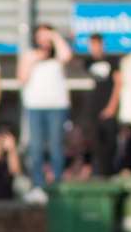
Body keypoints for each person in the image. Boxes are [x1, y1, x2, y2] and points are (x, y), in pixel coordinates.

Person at [17, 22, 72, 192]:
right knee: (36, 147)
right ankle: (38, 184)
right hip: (35, 107)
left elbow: (67, 55)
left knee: (56, 146)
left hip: (57, 106)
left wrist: (55, 36)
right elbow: (22, 78)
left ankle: (57, 182)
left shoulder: (58, 57)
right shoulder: (29, 55)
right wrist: (34, 60)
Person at [81, 33, 120, 178]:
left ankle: (108, 174)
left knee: (109, 144)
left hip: (107, 109)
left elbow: (118, 83)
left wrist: (112, 106)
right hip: (93, 110)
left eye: (97, 44)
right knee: (94, 143)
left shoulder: (112, 61)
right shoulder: (87, 63)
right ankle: (96, 173)